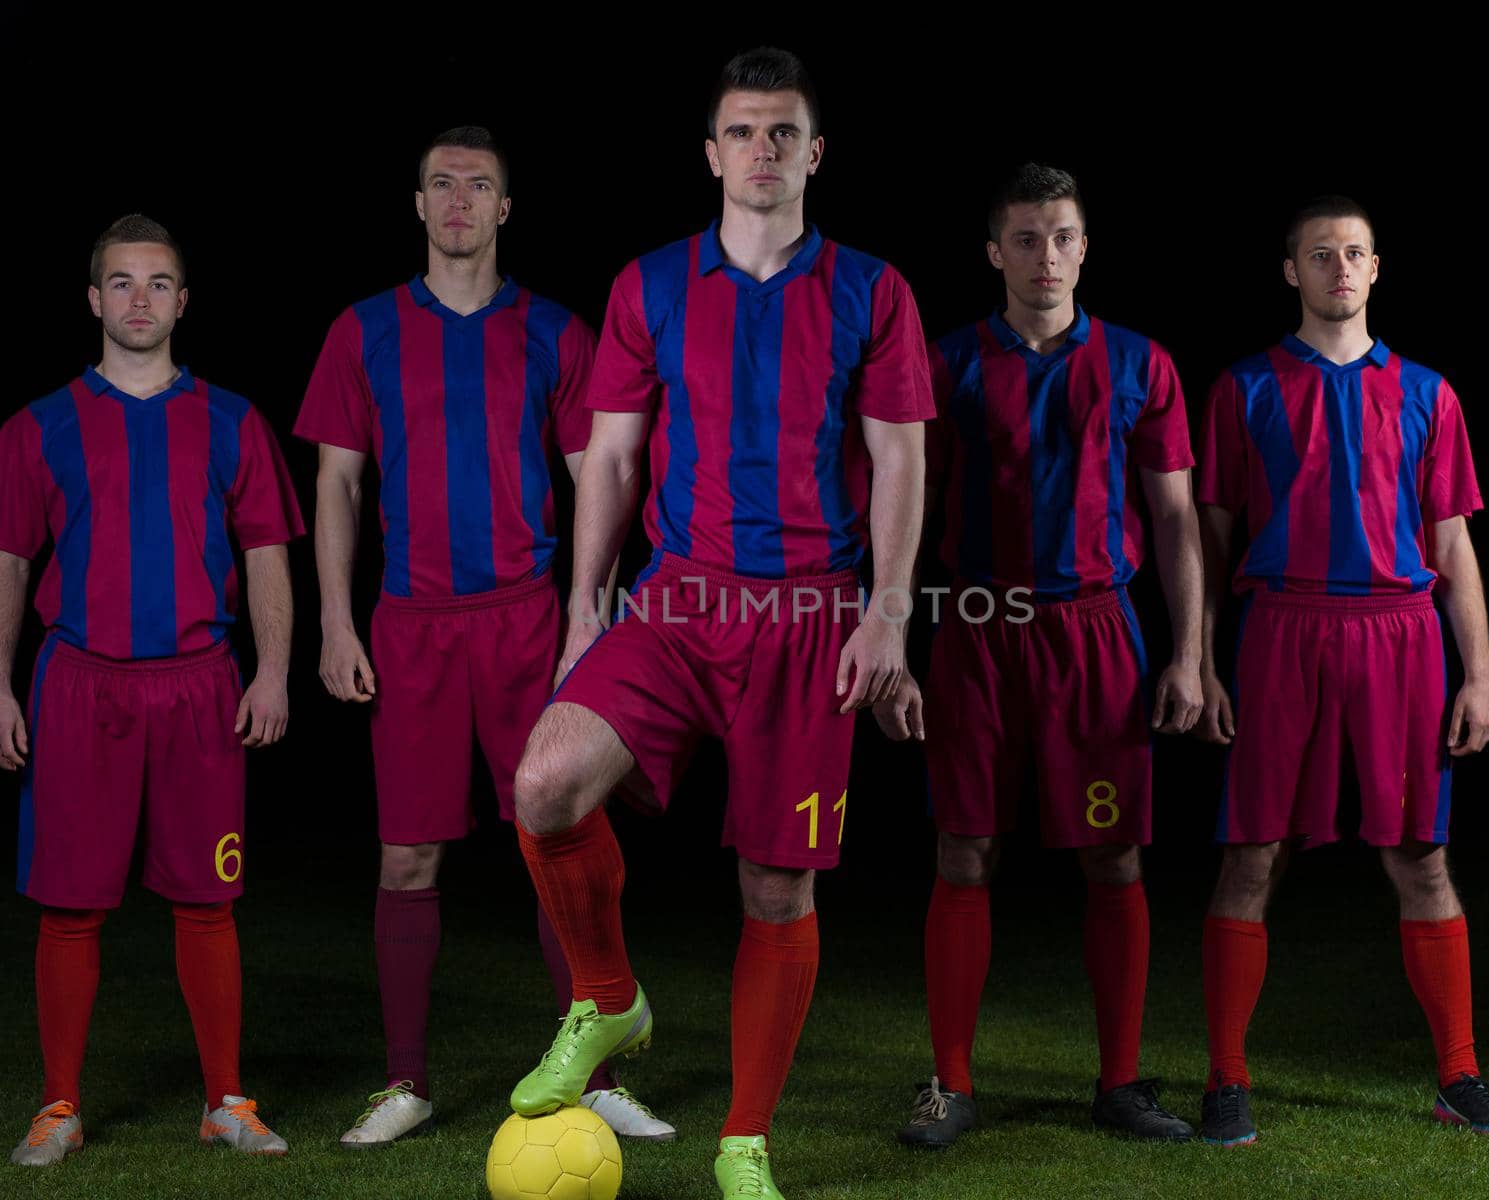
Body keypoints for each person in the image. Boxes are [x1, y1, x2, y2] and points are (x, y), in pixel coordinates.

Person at [506, 48, 933, 1200]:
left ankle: (743, 1139)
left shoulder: (871, 289)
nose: (761, 152)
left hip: (808, 614)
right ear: (711, 154)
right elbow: (611, 456)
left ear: (814, 153)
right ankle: (608, 1001)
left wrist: (887, 620)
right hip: (679, 599)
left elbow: (900, 459)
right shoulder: (648, 285)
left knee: (775, 891)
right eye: (741, 133)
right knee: (544, 785)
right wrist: (585, 612)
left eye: (782, 133)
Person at [295, 126, 672, 1147]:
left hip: (526, 622)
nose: (459, 199)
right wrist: (333, 620)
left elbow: (601, 474)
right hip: (411, 625)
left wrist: (590, 615)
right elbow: (336, 480)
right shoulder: (362, 329)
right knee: (407, 857)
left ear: (506, 208)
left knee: (557, 840)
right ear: (416, 204)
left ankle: (590, 1075)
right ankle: (403, 1083)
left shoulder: (553, 330)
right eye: (441, 183)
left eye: (480, 185)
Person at [1192, 195, 1489, 1146]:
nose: (1340, 268)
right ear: (1290, 272)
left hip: (1401, 634)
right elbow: (1211, 544)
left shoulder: (1428, 392)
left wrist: (1482, 676)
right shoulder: (1246, 388)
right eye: (1319, 254)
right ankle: (1227, 1080)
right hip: (1283, 629)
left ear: (1377, 269)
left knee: (1421, 856)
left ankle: (1460, 1076)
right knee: (1253, 852)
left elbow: (1453, 544)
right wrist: (1200, 662)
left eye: (1355, 253)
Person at [883, 163, 1203, 1149]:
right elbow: (903, 514)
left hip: (1096, 630)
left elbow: (1178, 520)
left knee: (1113, 855)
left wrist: (1189, 654)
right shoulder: (943, 365)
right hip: (976, 627)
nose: (1046, 255)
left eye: (1062, 235)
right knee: (963, 850)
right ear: (993, 253)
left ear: (1084, 246)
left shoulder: (1142, 364)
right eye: (1025, 238)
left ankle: (1119, 1084)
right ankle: (949, 1085)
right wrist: (891, 640)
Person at [1, 214, 302, 1166]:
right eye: (122, 283)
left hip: (199, 687)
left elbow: (265, 556)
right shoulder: (37, 426)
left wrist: (274, 670)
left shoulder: (232, 420)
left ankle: (225, 1100)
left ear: (183, 301)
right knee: (69, 905)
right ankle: (58, 1105)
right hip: (79, 686)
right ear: (94, 300)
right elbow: (8, 564)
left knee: (207, 902)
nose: (140, 299)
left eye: (158, 283)